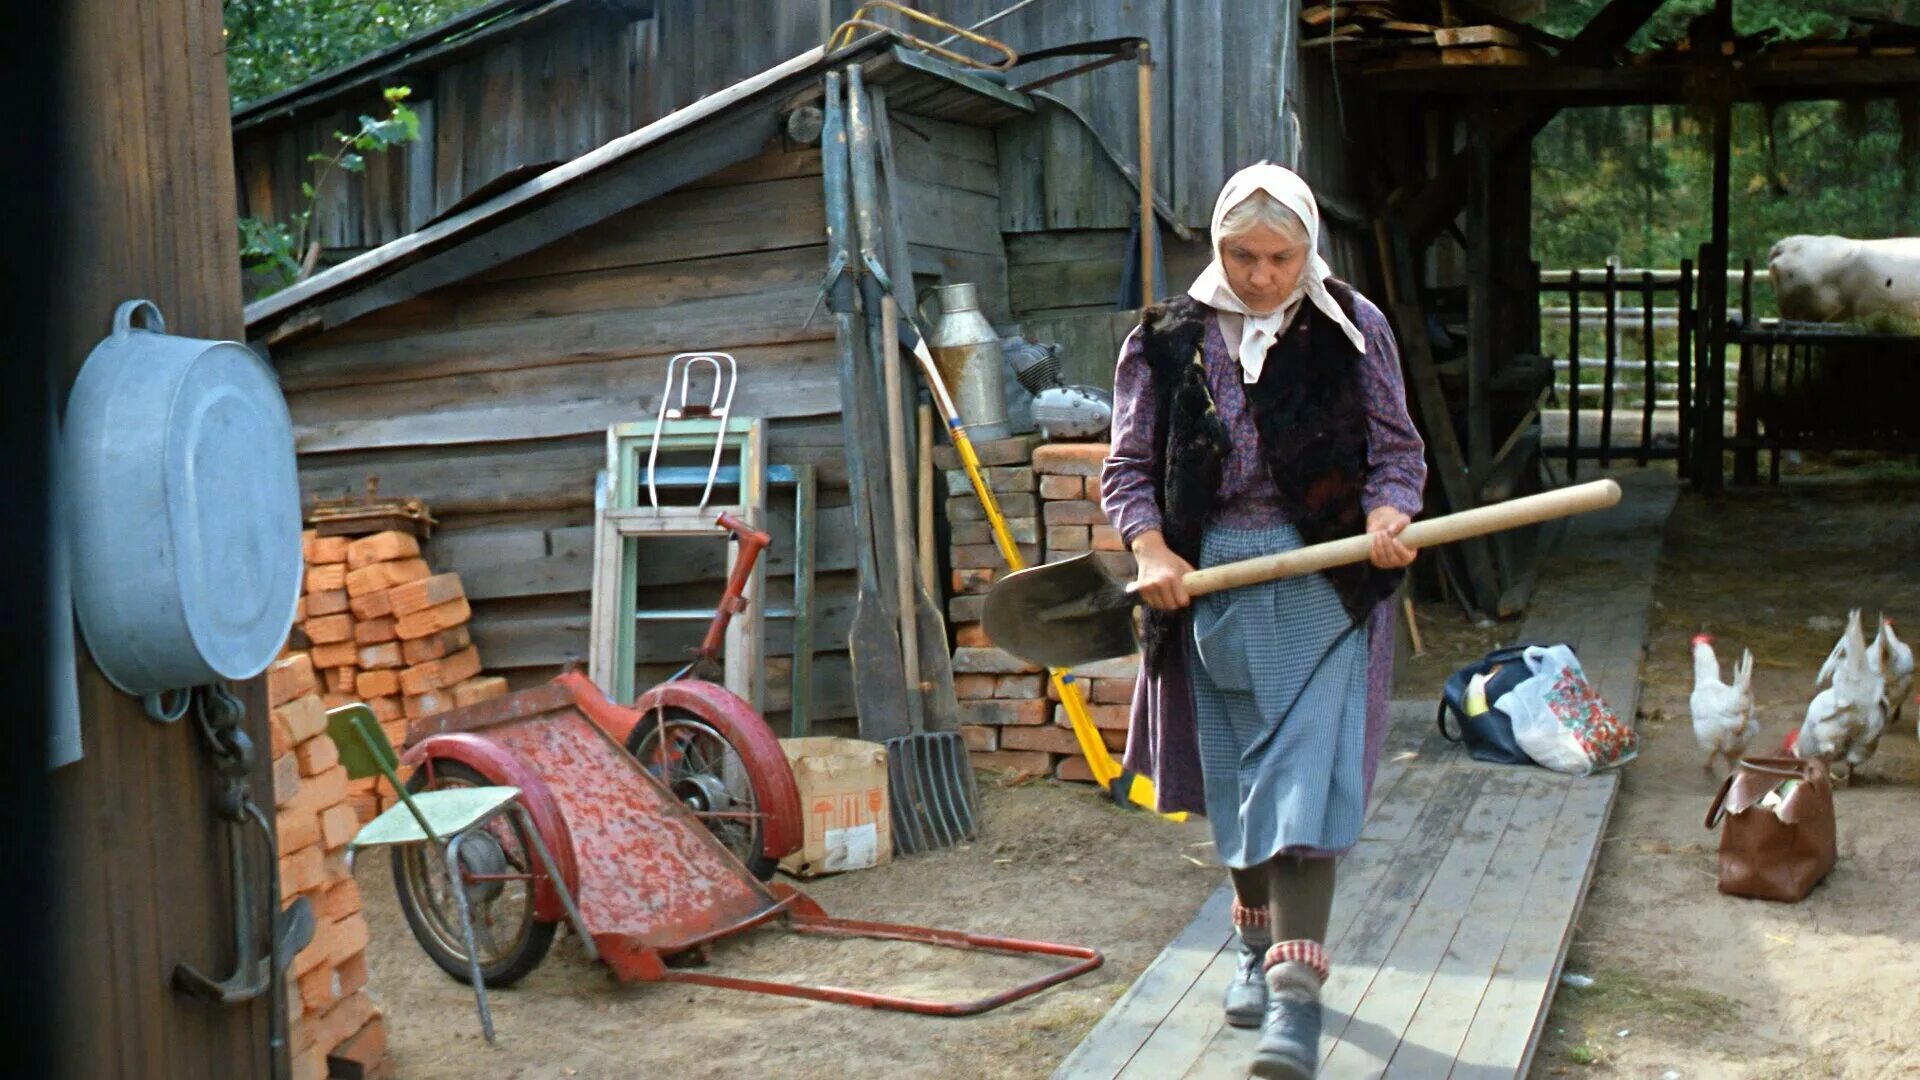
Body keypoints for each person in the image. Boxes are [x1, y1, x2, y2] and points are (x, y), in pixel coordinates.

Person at [1100, 162, 1426, 1080]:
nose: (1259, 276)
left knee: (1303, 786)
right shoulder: (1165, 340)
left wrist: (1385, 517)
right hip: (1208, 588)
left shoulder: (1352, 329)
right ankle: (1250, 946)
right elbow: (1128, 470)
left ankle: (1295, 1002)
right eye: (1240, 255)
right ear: (1214, 248)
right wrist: (1152, 551)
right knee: (1243, 782)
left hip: (1326, 584)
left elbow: (1398, 455)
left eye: (1280, 257)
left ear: (1307, 250)